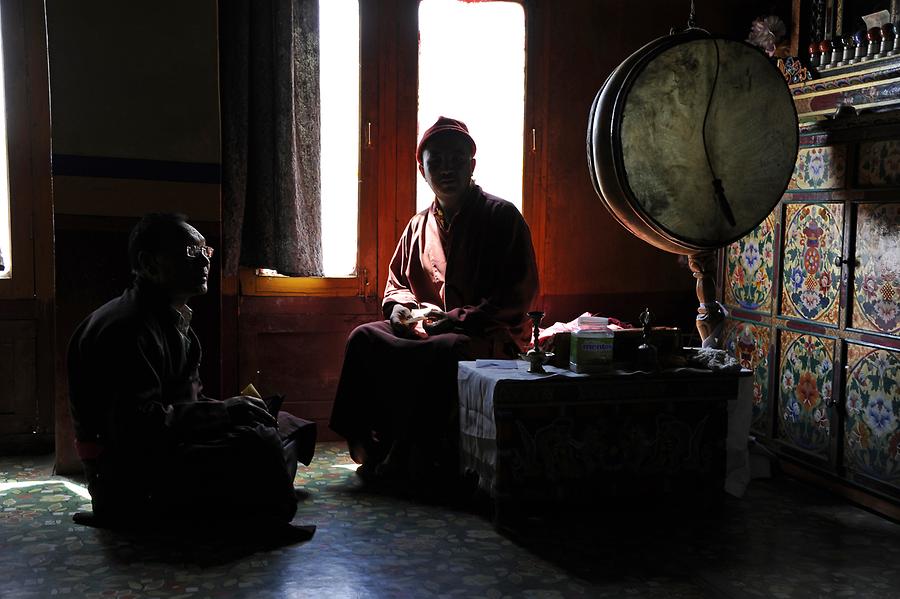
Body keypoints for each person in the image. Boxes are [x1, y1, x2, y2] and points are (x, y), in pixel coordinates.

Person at [67, 213, 315, 531]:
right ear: (149, 264)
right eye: (189, 252)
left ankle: (258, 485)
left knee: (283, 424)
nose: (203, 262)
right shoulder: (124, 329)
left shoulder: (172, 318)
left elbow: (187, 400)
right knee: (259, 443)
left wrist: (232, 410)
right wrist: (225, 413)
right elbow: (138, 430)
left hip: (168, 447)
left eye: (205, 251)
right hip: (130, 478)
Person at [330, 116, 539, 486]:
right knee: (364, 336)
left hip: (485, 330)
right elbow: (396, 283)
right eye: (436, 160)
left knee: (450, 349)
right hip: (426, 327)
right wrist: (399, 310)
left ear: (472, 166)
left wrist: (457, 318)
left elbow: (516, 294)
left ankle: (415, 453)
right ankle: (367, 444)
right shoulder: (417, 225)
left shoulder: (500, 217)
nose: (447, 168)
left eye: (457, 159)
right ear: (421, 168)